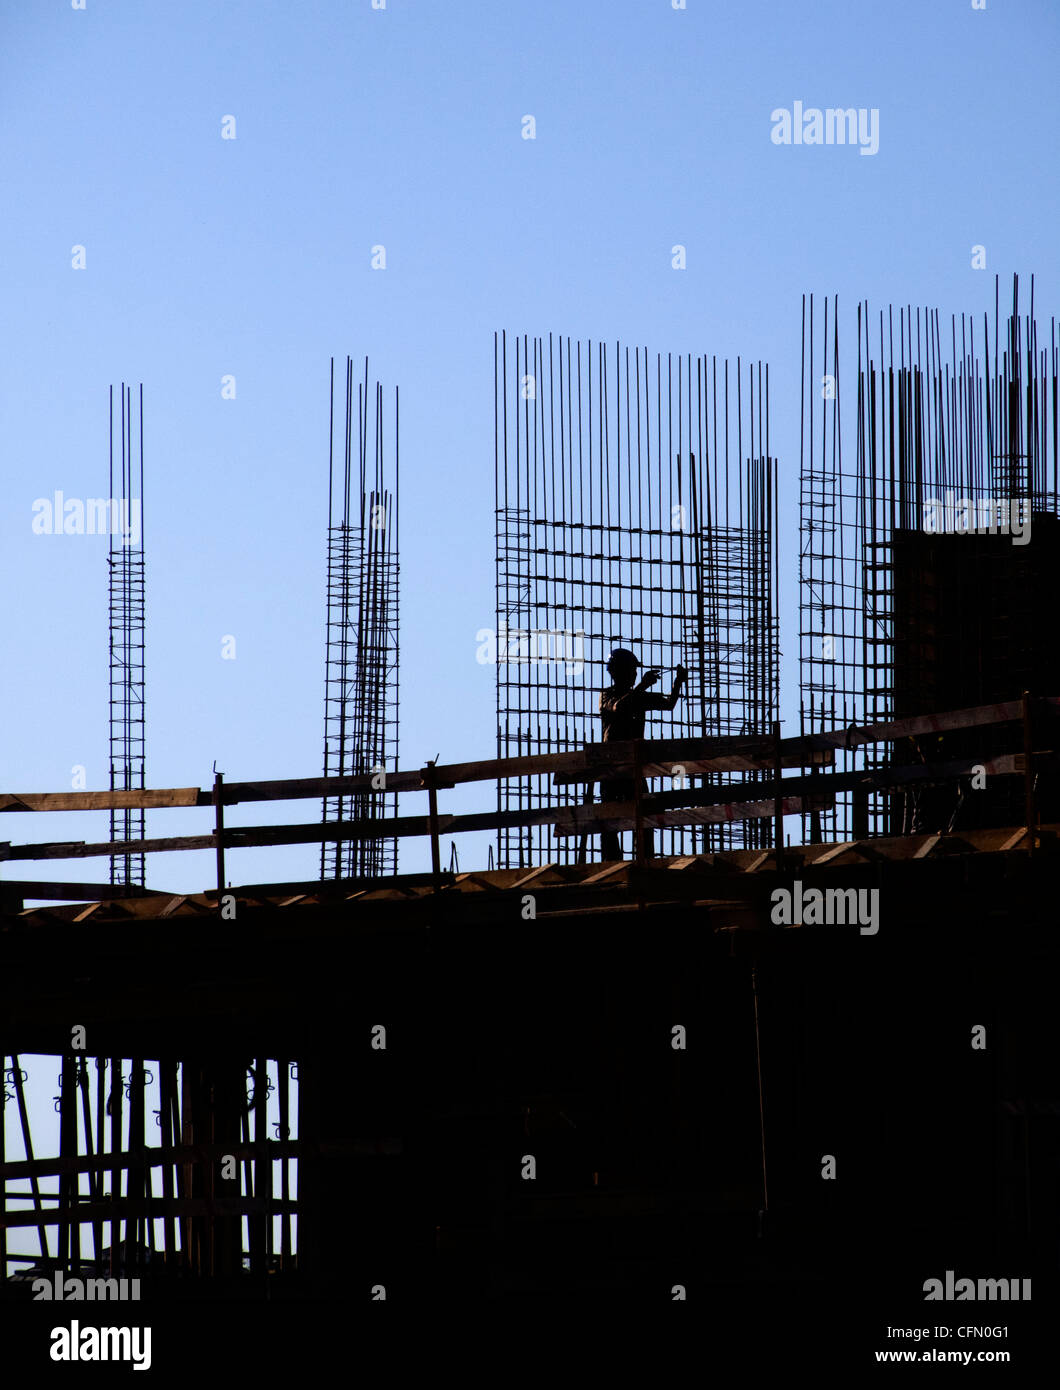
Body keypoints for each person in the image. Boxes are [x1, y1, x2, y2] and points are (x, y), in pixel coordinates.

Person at [597, 648, 687, 860]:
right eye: (631, 670)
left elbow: (668, 704)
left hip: (633, 766)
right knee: (610, 819)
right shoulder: (607, 695)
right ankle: (612, 862)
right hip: (612, 767)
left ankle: (645, 859)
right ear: (619, 672)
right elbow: (619, 707)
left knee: (643, 814)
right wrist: (643, 686)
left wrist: (678, 682)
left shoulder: (638, 696)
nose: (635, 674)